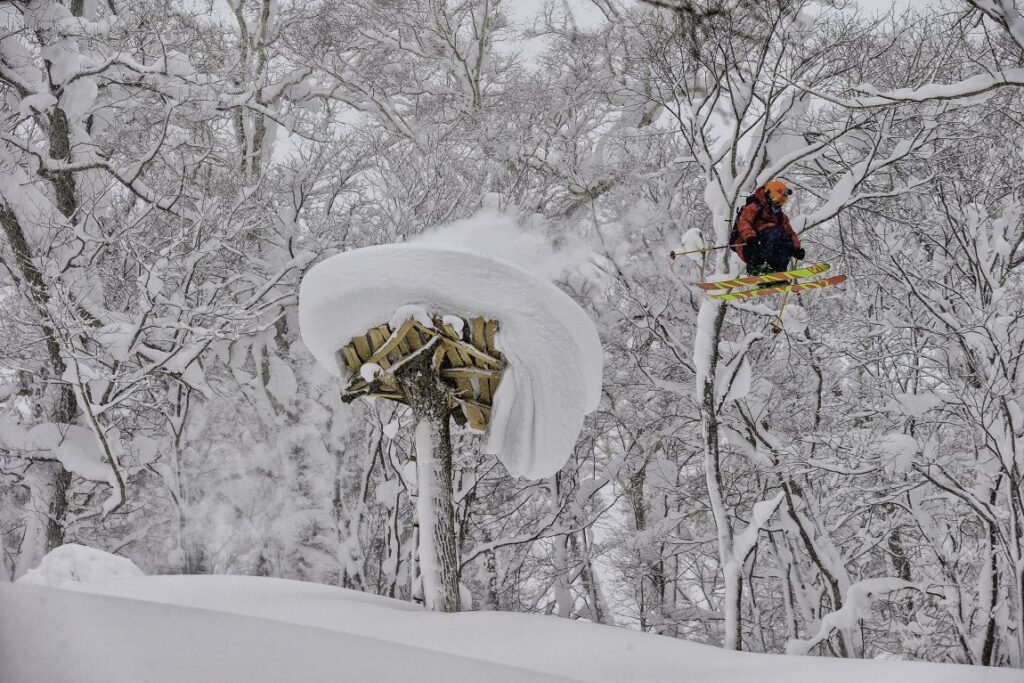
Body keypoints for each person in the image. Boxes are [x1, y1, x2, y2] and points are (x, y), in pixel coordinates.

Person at [730, 179, 805, 276]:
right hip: (748, 246)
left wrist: (796, 248)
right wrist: (750, 236)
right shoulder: (755, 207)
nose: (778, 204)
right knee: (774, 230)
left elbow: (789, 232)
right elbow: (744, 221)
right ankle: (756, 267)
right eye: (776, 199)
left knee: (785, 238)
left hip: (768, 248)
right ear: (769, 195)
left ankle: (777, 271)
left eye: (781, 201)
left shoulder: (780, 216)